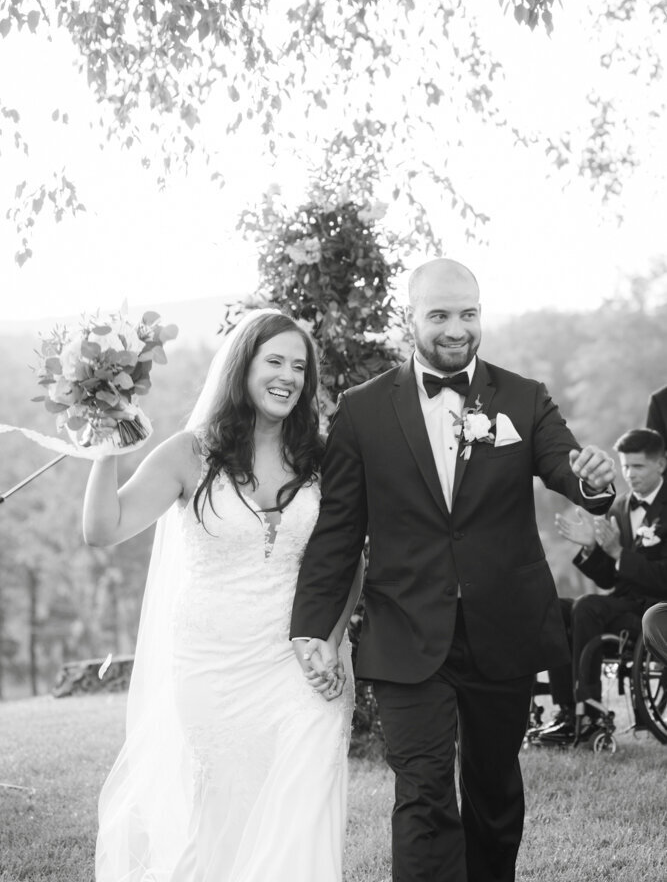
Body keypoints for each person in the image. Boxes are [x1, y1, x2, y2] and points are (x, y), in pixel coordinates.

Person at [290, 258, 615, 882]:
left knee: (494, 792)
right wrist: (312, 626)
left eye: (468, 313)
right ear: (409, 318)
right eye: (439, 315)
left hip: (503, 624)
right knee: (423, 792)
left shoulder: (523, 397)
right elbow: (337, 531)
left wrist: (593, 483)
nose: (456, 328)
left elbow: (565, 466)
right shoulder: (361, 412)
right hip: (406, 627)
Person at [83, 309, 361, 882]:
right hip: (212, 665)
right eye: (275, 361)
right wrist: (105, 445)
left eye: (300, 367)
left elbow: (346, 559)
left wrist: (330, 640)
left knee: (303, 801)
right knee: (230, 813)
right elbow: (102, 529)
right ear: (244, 366)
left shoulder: (321, 455)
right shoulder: (190, 454)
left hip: (304, 660)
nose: (288, 376)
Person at [542, 428, 667, 744]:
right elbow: (608, 579)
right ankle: (567, 712)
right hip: (621, 604)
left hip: (656, 612)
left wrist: (617, 553)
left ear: (661, 464)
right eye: (625, 466)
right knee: (555, 606)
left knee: (588, 606)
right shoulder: (619, 506)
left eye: (637, 466)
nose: (629, 474)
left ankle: (592, 713)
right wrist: (591, 550)